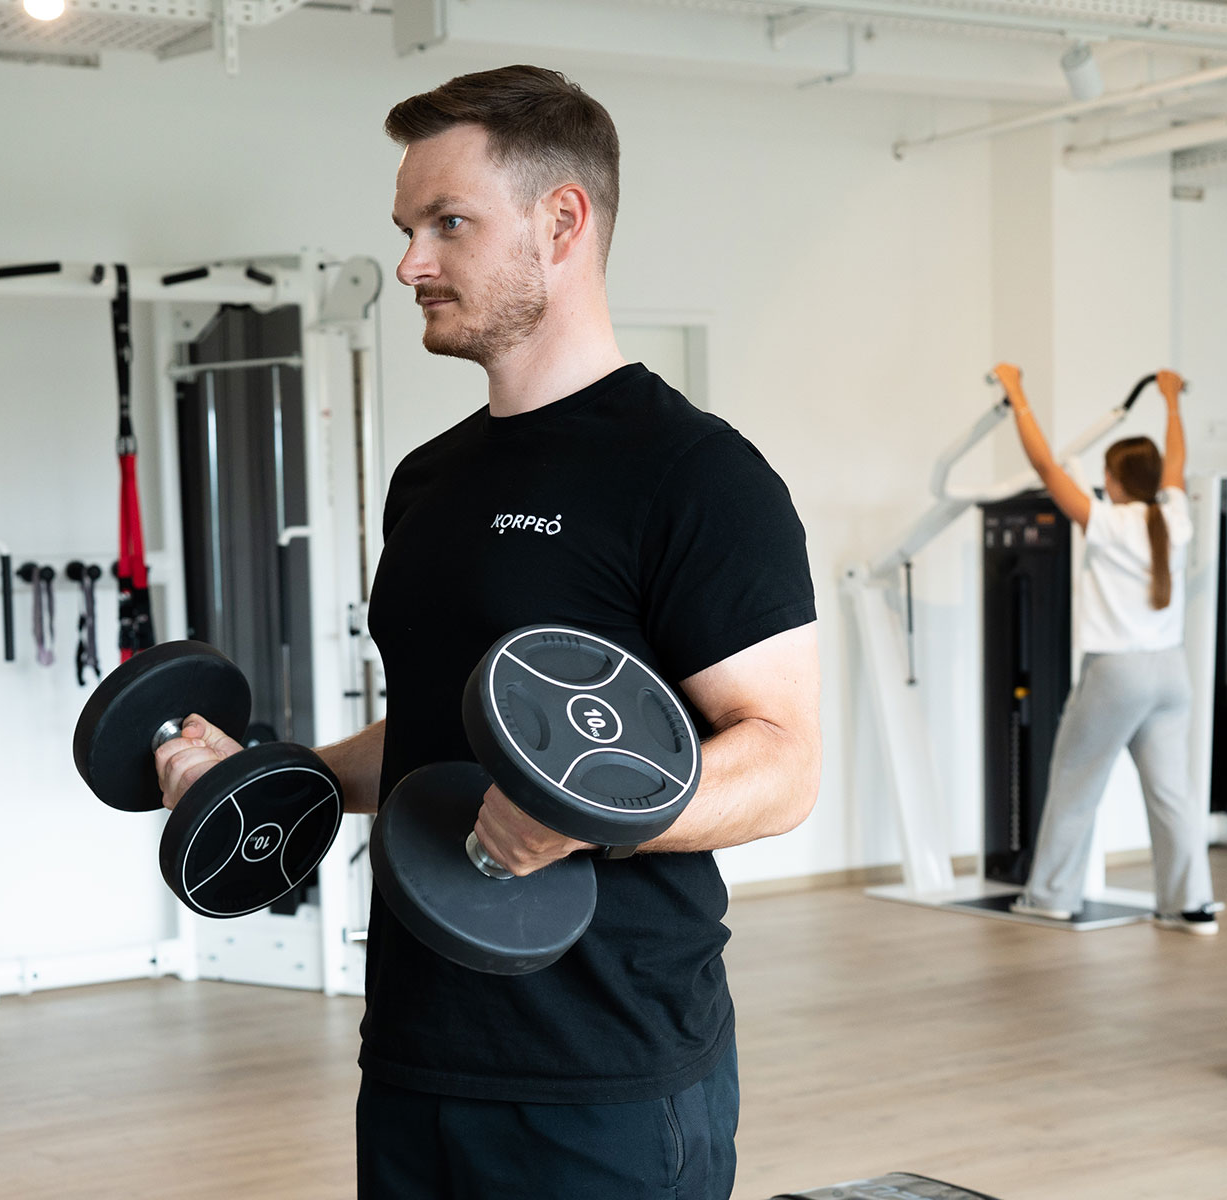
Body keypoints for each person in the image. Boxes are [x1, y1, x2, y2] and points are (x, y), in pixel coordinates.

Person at [153, 66, 822, 1199]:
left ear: (561, 222)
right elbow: (432, 731)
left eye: (446, 224)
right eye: (409, 228)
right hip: (416, 1050)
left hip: (605, 1073)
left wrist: (584, 815)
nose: (411, 262)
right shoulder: (429, 479)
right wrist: (273, 779)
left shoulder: (697, 476)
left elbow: (783, 760)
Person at [993, 362, 1217, 936]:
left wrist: (1017, 390)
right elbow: (1178, 464)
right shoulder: (1174, 518)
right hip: (1171, 673)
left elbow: (1044, 466)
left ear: (1118, 481)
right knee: (1173, 796)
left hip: (1117, 674)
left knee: (1075, 781)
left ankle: (1050, 897)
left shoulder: (1110, 523)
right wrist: (1171, 402)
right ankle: (1190, 905)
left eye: (1107, 475)